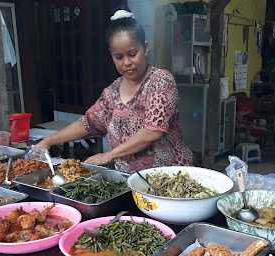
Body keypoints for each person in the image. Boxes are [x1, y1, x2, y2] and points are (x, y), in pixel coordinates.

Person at [37, 9, 193, 173]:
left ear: (145, 48)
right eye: (119, 57)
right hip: (128, 181)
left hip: (169, 179)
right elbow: (87, 123)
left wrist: (109, 155)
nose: (127, 62)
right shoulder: (112, 92)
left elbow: (152, 131)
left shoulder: (160, 81)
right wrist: (49, 141)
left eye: (132, 54)